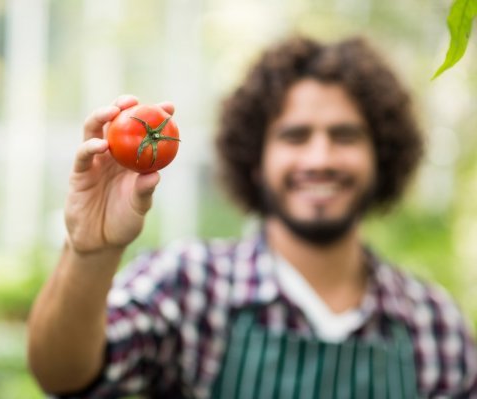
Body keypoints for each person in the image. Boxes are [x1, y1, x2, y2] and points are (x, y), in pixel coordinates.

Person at [27, 36, 477, 398]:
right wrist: (91, 253)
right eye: (295, 136)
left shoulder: (433, 325)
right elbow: (64, 377)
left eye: (344, 136)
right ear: (256, 159)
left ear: (381, 156)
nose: (319, 158)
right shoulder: (190, 285)